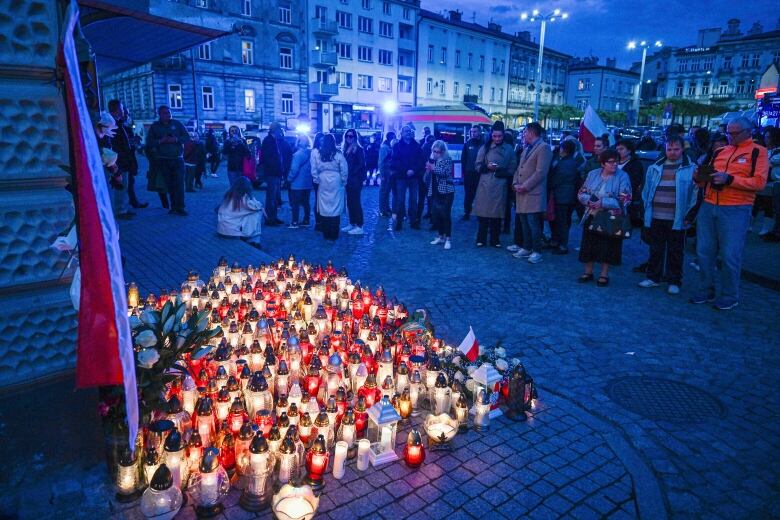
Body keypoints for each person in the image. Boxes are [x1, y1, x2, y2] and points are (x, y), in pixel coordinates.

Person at [691, 117, 769, 309]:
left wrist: (729, 179)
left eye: (734, 133)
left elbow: (759, 183)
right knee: (704, 252)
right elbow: (703, 181)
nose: (730, 136)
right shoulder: (720, 151)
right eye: (728, 132)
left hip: (736, 209)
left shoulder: (758, 152)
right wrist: (699, 177)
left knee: (729, 255)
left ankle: (729, 294)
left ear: (748, 132)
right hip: (709, 205)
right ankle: (706, 289)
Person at [638, 136, 698, 295]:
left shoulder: (691, 168)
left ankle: (674, 280)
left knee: (675, 251)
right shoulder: (655, 167)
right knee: (655, 249)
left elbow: (695, 194)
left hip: (677, 218)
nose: (672, 152)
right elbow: (646, 191)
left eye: (676, 149)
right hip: (656, 215)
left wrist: (690, 215)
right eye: (669, 149)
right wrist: (645, 211)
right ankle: (653, 277)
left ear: (682, 149)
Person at [577, 149, 632, 287]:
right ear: (603, 163)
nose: (614, 165)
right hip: (591, 214)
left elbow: (626, 198)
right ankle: (588, 271)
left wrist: (603, 202)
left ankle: (604, 274)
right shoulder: (592, 174)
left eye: (616, 162)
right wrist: (588, 200)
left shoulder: (623, 176)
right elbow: (582, 191)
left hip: (611, 217)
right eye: (611, 162)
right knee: (589, 244)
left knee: (608, 246)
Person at [472, 121, 518, 248]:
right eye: (494, 136)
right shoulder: (484, 148)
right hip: (485, 184)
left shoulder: (509, 149)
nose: (497, 138)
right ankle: (481, 238)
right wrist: (486, 166)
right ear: (491, 135)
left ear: (503, 135)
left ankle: (495, 239)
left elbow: (513, 167)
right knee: (483, 213)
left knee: (497, 214)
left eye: (499, 136)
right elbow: (477, 165)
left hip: (500, 184)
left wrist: (500, 171)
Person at [512, 122, 553, 263]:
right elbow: (519, 168)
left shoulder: (544, 148)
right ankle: (526, 247)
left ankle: (537, 250)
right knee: (524, 222)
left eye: (525, 132)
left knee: (533, 224)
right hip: (521, 192)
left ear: (531, 132)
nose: (523, 134)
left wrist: (525, 186)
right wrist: (515, 183)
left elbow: (541, 172)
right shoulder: (527, 148)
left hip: (533, 193)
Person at [146, 105, 190, 216]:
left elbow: (187, 138)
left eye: (169, 113)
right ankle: (173, 207)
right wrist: (161, 141)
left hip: (178, 159)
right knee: (169, 185)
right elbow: (149, 142)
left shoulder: (177, 124)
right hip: (163, 160)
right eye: (165, 113)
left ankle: (180, 207)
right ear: (160, 114)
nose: (168, 115)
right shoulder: (155, 127)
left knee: (179, 184)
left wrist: (175, 139)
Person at [108, 100, 147, 210]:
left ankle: (124, 207)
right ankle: (120, 210)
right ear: (116, 109)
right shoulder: (110, 123)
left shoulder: (119, 124)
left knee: (125, 184)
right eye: (122, 108)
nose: (124, 111)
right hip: (117, 160)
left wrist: (131, 142)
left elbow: (122, 142)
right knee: (120, 185)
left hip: (123, 160)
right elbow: (111, 143)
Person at [312, 134, 348, 241]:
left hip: (323, 181)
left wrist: (316, 179)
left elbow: (314, 168)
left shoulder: (319, 154)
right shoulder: (338, 154)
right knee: (335, 206)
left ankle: (326, 232)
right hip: (336, 180)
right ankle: (334, 233)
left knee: (324, 206)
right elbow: (344, 169)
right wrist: (343, 180)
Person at [389, 126, 425, 231]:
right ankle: (399, 222)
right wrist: (406, 170)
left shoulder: (417, 146)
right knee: (400, 200)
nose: (408, 133)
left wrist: (413, 170)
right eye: (406, 131)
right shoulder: (397, 146)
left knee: (414, 200)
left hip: (414, 177)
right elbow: (394, 161)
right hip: (401, 177)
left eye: (409, 131)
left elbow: (421, 161)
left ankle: (413, 221)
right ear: (401, 133)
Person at [548, 139, 580, 255]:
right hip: (569, 196)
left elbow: (556, 180)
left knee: (562, 222)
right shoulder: (573, 162)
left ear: (564, 150)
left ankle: (562, 245)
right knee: (564, 221)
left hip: (562, 196)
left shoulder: (563, 164)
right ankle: (558, 242)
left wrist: (549, 186)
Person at [216, 176, 263, 247]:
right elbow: (256, 207)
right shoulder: (243, 198)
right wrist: (252, 198)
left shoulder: (229, 194)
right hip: (231, 231)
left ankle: (253, 239)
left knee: (251, 213)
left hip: (222, 229)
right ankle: (254, 240)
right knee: (256, 213)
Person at [427, 140, 455, 250]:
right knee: (437, 215)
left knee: (446, 215)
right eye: (434, 151)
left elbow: (445, 173)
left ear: (443, 151)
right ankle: (440, 236)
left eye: (437, 152)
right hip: (435, 190)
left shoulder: (447, 159)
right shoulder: (433, 160)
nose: (435, 153)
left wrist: (433, 168)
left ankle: (448, 238)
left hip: (447, 191)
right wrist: (428, 169)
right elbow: (429, 175)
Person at [341, 129, 367, 235]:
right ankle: (352, 223)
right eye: (347, 136)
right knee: (350, 202)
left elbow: (361, 164)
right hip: (349, 179)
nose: (348, 138)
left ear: (355, 137)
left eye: (351, 136)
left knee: (356, 202)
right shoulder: (346, 149)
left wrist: (350, 173)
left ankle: (359, 225)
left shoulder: (358, 149)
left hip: (355, 179)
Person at [615, 139, 644, 228]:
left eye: (621, 149)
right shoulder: (614, 163)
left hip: (625, 200)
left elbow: (633, 183)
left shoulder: (635, 164)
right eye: (617, 149)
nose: (619, 151)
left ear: (629, 150)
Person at [261, 122, 285, 226]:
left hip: (276, 173)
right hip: (272, 173)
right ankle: (269, 219)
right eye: (280, 129)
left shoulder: (275, 140)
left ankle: (274, 217)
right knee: (271, 197)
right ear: (276, 130)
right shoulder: (268, 141)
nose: (281, 131)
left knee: (275, 197)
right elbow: (268, 158)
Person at [287, 134, 313, 228]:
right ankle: (306, 221)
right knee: (306, 202)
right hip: (307, 183)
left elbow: (294, 169)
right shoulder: (311, 153)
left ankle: (294, 222)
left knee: (295, 203)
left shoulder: (297, 155)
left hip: (297, 183)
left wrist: (289, 179)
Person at [461, 126, 483, 220]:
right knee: (468, 194)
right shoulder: (467, 144)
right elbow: (463, 159)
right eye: (472, 132)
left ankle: (480, 213)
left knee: (480, 194)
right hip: (469, 173)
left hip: (480, 174)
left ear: (480, 132)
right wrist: (464, 173)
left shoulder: (484, 144)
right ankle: (467, 212)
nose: (473, 133)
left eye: (475, 131)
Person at [762, 127, 780, 242]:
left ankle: (776, 232)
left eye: (768, 137)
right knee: (769, 206)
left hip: (777, 183)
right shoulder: (767, 151)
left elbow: (768, 163)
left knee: (777, 209)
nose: (765, 139)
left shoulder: (777, 152)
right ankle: (771, 229)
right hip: (769, 183)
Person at [378, 131, 395, 217]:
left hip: (389, 172)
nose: (394, 138)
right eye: (393, 137)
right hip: (385, 172)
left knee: (387, 191)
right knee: (383, 191)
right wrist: (381, 174)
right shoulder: (384, 147)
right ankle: (382, 210)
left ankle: (387, 208)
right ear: (389, 138)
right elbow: (381, 162)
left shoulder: (389, 146)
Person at [311, 132, 325, 230]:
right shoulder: (315, 151)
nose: (322, 142)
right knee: (318, 201)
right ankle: (318, 222)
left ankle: (323, 220)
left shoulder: (324, 150)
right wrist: (316, 179)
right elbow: (314, 167)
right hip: (318, 180)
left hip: (326, 180)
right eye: (321, 140)